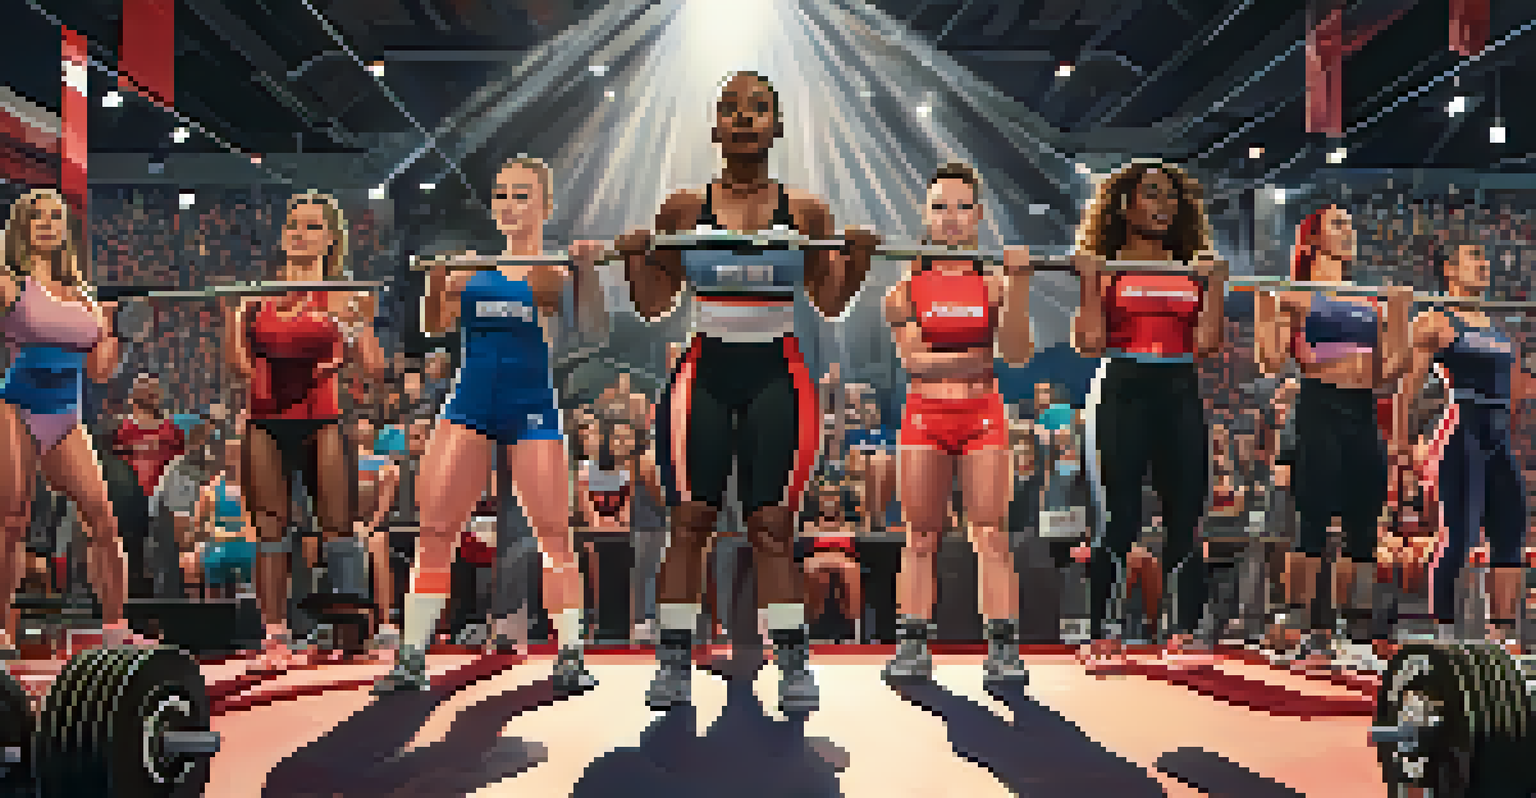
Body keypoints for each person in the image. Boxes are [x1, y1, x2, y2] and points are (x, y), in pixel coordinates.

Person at [616, 70, 879, 715]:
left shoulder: (809, 212)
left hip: (777, 375)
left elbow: (830, 301)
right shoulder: (682, 210)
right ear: (714, 126)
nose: (742, 118)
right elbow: (653, 306)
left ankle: (792, 662)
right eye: (730, 108)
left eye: (757, 109)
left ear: (776, 126)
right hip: (703, 373)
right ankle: (674, 661)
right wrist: (632, 259)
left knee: (771, 526)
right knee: (690, 521)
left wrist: (859, 262)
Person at [374, 157, 609, 695]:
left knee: (554, 534)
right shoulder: (471, 272)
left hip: (531, 406)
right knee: (436, 531)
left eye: (521, 195)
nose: (508, 205)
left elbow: (594, 332)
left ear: (546, 205)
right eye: (502, 195)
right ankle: (411, 657)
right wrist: (436, 283)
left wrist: (589, 271)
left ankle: (570, 654)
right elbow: (432, 330)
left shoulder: (554, 272)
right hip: (470, 405)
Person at [881, 161, 1033, 688]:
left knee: (992, 533)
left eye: (961, 207)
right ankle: (913, 642)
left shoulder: (995, 285)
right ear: (925, 215)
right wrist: (976, 358)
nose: (951, 218)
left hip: (982, 415)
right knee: (920, 535)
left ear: (979, 216)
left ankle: (1004, 646)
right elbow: (916, 366)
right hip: (925, 416)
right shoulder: (902, 292)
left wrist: (1018, 287)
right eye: (940, 207)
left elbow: (1014, 355)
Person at [224, 191, 386, 669]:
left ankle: (351, 631)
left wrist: (360, 326)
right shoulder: (259, 296)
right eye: (294, 224)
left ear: (330, 238)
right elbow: (239, 369)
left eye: (312, 226)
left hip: (324, 420)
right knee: (270, 530)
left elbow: (374, 370)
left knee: (338, 527)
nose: (300, 233)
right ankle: (274, 635)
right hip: (266, 421)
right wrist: (236, 321)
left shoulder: (345, 295)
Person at [1071, 161, 1226, 655]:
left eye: (1171, 197)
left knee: (1186, 515)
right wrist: (1089, 280)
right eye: (1152, 194)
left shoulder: (1189, 267)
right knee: (1120, 515)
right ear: (1125, 204)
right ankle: (1101, 632)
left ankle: (1183, 631)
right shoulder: (1108, 262)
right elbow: (1090, 341)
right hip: (1122, 385)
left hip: (1178, 385)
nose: (1164, 206)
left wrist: (1215, 285)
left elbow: (1206, 344)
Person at [1255, 205, 1411, 663]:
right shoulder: (1296, 295)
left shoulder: (1368, 299)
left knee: (1363, 527)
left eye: (1351, 223)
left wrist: (1399, 315)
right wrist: (1268, 311)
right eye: (1339, 224)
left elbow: (1391, 370)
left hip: (1362, 411)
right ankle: (1300, 624)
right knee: (1312, 524)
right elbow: (1269, 361)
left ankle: (1351, 628)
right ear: (1315, 236)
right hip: (1319, 404)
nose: (1350, 231)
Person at [0, 188, 136, 650]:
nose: (47, 223)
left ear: (65, 229)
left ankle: (115, 628)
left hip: (65, 413)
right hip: (18, 405)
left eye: (55, 217)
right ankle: (0, 630)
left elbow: (99, 371)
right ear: (22, 227)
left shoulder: (83, 296)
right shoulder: (10, 281)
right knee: (12, 519)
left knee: (101, 515)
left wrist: (113, 329)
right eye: (36, 217)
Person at [1398, 238, 1530, 651]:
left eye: (1484, 257)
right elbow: (1410, 388)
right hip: (1463, 432)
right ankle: (1446, 634)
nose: (1484, 264)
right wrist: (1402, 445)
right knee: (1460, 535)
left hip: (1498, 436)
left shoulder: (1497, 325)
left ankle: (1502, 637)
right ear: (1450, 271)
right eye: (1473, 256)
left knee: (1511, 535)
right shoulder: (1436, 321)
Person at [355, 414, 402, 647]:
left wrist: (368, 526)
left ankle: (385, 622)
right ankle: (312, 625)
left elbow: (383, 507)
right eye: (357, 428)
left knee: (377, 543)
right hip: (341, 526)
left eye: (366, 428)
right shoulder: (337, 465)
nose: (361, 432)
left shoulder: (385, 465)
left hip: (374, 527)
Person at [798, 479, 862, 642]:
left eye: (833, 495)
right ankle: (810, 627)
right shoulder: (808, 525)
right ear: (818, 499)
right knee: (814, 570)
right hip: (817, 560)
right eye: (825, 495)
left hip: (843, 560)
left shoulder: (850, 525)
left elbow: (852, 550)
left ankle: (854, 629)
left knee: (851, 570)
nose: (829, 499)